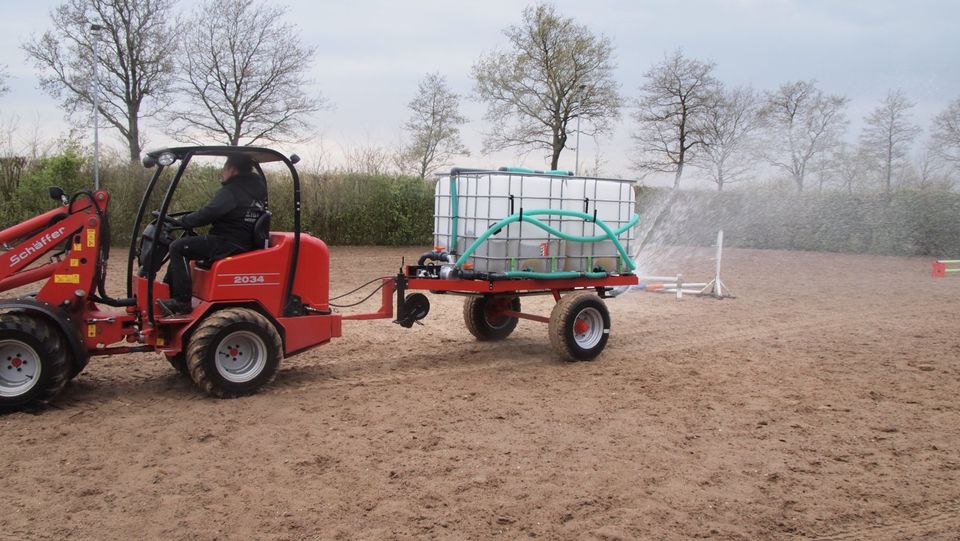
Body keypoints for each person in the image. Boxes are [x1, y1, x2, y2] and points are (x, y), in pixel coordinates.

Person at [159, 154, 267, 315]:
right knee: (187, 244)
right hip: (241, 241)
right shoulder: (254, 192)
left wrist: (184, 221)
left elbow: (210, 212)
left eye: (224, 169)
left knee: (178, 247)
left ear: (231, 169)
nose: (223, 173)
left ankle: (181, 301)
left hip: (228, 242)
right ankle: (172, 293)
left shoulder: (233, 190)